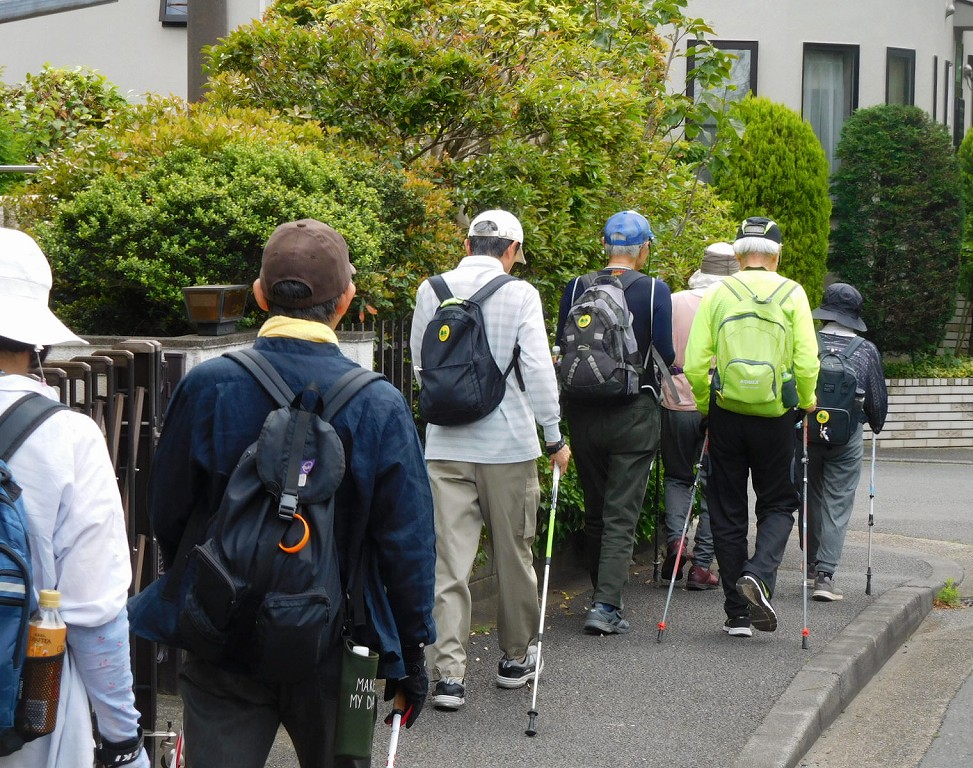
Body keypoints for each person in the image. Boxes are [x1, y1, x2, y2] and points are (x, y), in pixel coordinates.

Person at [132, 219, 436, 768]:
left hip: (223, 634)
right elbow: (407, 541)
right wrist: (411, 650)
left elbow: (166, 513)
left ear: (258, 294)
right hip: (340, 642)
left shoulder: (209, 386)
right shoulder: (379, 404)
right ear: (346, 300)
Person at [410, 210, 570, 711]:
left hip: (445, 446)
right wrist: (554, 437)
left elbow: (421, 365)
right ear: (513, 250)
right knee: (514, 554)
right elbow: (540, 371)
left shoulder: (429, 289)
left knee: (448, 564)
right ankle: (514, 660)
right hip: (508, 448)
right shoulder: (520, 294)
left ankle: (449, 678)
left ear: (467, 241)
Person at [0, 228, 148, 768]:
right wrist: (122, 741)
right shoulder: (67, 437)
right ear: (35, 338)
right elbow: (93, 615)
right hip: (31, 718)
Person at [684, 217, 818, 638]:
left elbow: (693, 363)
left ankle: (737, 614)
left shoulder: (719, 292)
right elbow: (807, 361)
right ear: (776, 255)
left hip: (727, 414)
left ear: (738, 254)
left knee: (725, 509)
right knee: (778, 502)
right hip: (776, 415)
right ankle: (758, 575)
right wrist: (806, 399)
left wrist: (709, 405)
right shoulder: (792, 292)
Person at [556, 210, 674, 635]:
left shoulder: (575, 287)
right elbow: (664, 351)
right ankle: (605, 606)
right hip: (633, 413)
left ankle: (598, 592)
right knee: (622, 512)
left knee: (596, 508)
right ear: (643, 249)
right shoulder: (655, 289)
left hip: (584, 412)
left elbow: (562, 347)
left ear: (605, 246)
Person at [658, 242, 740, 590]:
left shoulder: (674, 301)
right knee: (714, 485)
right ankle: (702, 565)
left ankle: (677, 544)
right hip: (718, 403)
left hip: (674, 399)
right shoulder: (735, 304)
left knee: (677, 477)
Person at [806, 283, 888, 601]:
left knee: (810, 495)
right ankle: (825, 576)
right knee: (837, 500)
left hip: (807, 431)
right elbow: (877, 403)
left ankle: (812, 565)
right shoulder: (865, 351)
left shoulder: (808, 342)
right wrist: (876, 424)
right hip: (847, 435)